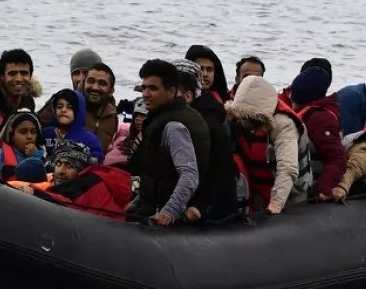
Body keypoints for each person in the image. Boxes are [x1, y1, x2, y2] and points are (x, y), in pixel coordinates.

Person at [127, 59, 210, 227]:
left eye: (153, 88)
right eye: (144, 88)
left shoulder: (174, 127)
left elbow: (190, 176)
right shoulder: (165, 116)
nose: (145, 94)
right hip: (151, 207)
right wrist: (136, 202)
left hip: (170, 218)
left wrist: (168, 212)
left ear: (171, 91)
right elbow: (155, 173)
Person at [225, 75, 307, 214]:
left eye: (251, 118)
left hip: (290, 194)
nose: (246, 123)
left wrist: (276, 203)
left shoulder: (284, 124)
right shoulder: (239, 119)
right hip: (259, 188)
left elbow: (287, 167)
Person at [172, 58, 239, 223]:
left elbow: (218, 168)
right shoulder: (174, 117)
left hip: (208, 212)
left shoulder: (207, 121)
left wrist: (200, 206)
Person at [25, 140, 133, 221]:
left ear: (81, 170)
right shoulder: (80, 183)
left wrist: (34, 193)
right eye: (58, 164)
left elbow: (65, 203)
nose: (61, 171)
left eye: (69, 166)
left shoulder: (88, 183)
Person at [288, 67, 346, 203]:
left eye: (294, 99)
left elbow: (337, 158)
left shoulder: (320, 119)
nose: (291, 103)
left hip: (311, 185)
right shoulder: (307, 113)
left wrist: (323, 188)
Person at [42, 88, 106, 162]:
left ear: (78, 111)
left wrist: (67, 146)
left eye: (69, 107)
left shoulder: (89, 139)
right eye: (59, 107)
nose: (63, 110)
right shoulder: (46, 133)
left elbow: (97, 161)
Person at [0, 110, 46, 181]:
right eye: (23, 132)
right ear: (12, 136)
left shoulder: (42, 155)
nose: (29, 136)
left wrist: (36, 156)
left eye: (33, 132)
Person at [82, 63, 119, 153]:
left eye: (102, 83)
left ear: (111, 91)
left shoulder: (112, 117)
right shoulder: (70, 106)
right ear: (84, 84)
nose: (95, 87)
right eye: (90, 81)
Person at [104, 98, 147, 169]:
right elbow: (114, 128)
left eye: (142, 115)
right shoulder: (125, 130)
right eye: (136, 115)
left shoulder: (152, 140)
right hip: (106, 167)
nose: (137, 118)